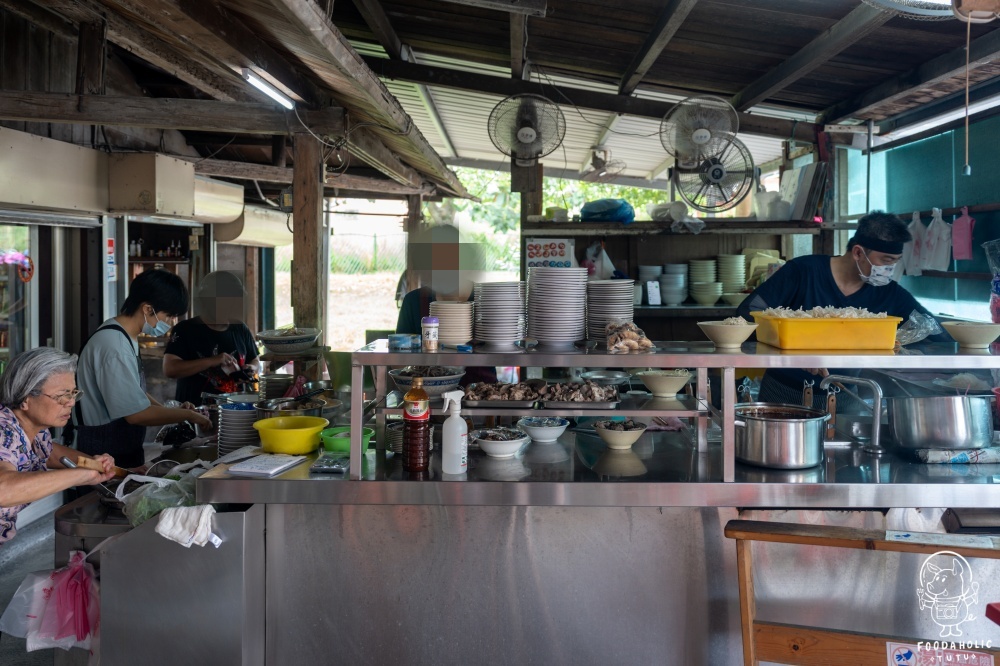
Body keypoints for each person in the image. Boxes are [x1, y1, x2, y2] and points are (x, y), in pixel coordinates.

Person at [736, 210, 949, 408]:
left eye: (895, 262)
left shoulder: (889, 293)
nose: (890, 269)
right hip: (783, 395)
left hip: (846, 398)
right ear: (858, 252)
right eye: (885, 261)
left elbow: (932, 329)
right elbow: (746, 314)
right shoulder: (803, 271)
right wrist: (797, 350)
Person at [75, 269, 212, 468]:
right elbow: (136, 415)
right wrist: (188, 415)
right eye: (169, 316)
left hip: (120, 447)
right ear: (148, 309)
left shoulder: (124, 336)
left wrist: (168, 411)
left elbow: (134, 392)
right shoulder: (115, 346)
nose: (171, 323)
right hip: (103, 453)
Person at [0, 348, 115, 545]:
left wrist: (94, 465)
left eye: (73, 393)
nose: (71, 402)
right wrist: (83, 474)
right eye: (62, 396)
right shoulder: (4, 430)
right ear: (26, 399)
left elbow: (49, 452)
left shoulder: (35, 429)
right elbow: (4, 490)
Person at [163, 271, 259, 405]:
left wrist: (251, 368)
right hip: (194, 413)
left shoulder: (240, 328)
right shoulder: (185, 329)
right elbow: (170, 369)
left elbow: (254, 359)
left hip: (235, 412)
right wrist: (212, 361)